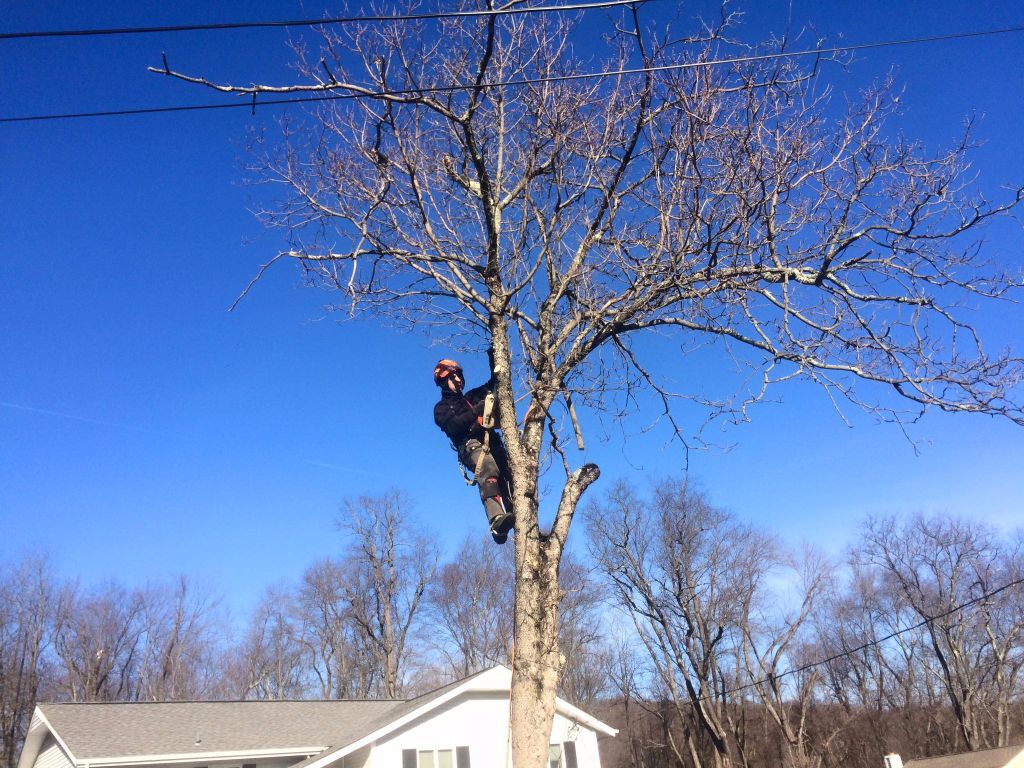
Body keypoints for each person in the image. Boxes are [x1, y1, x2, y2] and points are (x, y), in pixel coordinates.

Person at [433, 359, 515, 544]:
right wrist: (475, 413)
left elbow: (492, 384)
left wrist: (494, 356)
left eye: (460, 376)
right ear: (444, 381)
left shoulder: (470, 397)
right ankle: (496, 520)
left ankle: (519, 522)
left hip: (494, 444)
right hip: (471, 445)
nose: (459, 380)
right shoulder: (441, 409)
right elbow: (453, 426)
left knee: (511, 480)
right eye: (454, 377)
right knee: (487, 468)